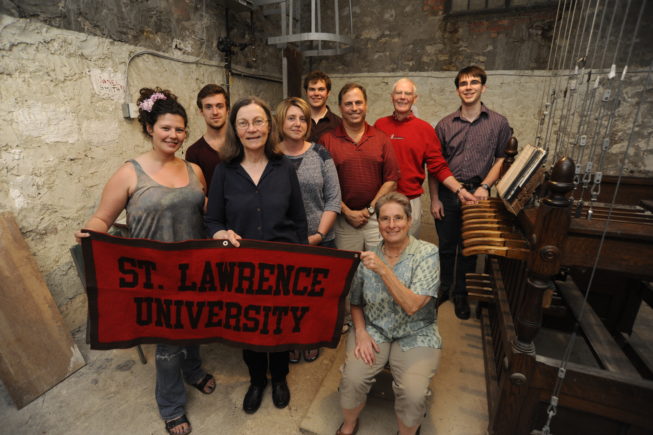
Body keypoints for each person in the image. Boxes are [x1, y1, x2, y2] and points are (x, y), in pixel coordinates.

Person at [75, 88, 215, 435]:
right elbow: (101, 219)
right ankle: (170, 406)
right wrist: (88, 233)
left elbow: (207, 214)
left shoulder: (195, 170)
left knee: (195, 325)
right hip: (155, 276)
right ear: (150, 127)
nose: (173, 135)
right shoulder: (129, 173)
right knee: (168, 344)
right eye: (166, 128)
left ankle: (194, 370)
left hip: (194, 269)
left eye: (180, 130)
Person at [204, 96, 308, 414]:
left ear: (269, 126)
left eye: (258, 121)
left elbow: (299, 218)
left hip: (282, 265)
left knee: (278, 325)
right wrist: (220, 233)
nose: (252, 129)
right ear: (235, 129)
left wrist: (303, 263)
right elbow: (212, 220)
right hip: (242, 268)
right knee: (248, 329)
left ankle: (278, 377)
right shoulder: (224, 171)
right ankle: (256, 380)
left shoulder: (285, 169)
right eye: (244, 123)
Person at [336, 192, 442, 435]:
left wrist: (384, 270)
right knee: (352, 380)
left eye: (398, 218)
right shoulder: (368, 257)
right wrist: (361, 332)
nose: (392, 225)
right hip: (375, 329)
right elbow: (355, 303)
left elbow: (413, 305)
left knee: (413, 393)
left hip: (417, 333)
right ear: (379, 223)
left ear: (409, 220)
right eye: (385, 219)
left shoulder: (427, 253)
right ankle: (349, 425)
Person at [429, 65, 511, 319]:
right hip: (448, 193)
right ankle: (443, 288)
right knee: (446, 246)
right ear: (457, 90)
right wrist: (434, 198)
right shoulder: (444, 125)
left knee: (469, 248)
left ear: (483, 87)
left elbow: (502, 158)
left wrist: (486, 187)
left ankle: (461, 294)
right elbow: (435, 165)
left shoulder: (498, 123)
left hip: (479, 194)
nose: (468, 87)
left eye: (474, 82)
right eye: (463, 84)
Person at [275, 97, 342, 364]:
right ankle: (292, 339)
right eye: (291, 118)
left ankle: (312, 338)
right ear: (281, 121)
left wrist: (317, 236)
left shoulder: (321, 154)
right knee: (287, 297)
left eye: (302, 118)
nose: (297, 123)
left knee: (317, 298)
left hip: (319, 239)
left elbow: (333, 199)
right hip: (282, 241)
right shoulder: (271, 155)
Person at [375, 78, 477, 235]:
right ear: (392, 96)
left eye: (408, 93)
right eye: (399, 93)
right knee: (380, 252)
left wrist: (460, 190)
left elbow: (438, 167)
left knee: (407, 253)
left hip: (410, 201)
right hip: (381, 199)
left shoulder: (425, 129)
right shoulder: (379, 125)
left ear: (415, 99)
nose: (402, 97)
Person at [320, 83, 400, 251]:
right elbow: (322, 185)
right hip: (342, 220)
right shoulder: (327, 141)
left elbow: (391, 180)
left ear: (366, 105)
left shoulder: (381, 139)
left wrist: (369, 209)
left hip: (375, 219)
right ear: (340, 108)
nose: (354, 108)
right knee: (348, 272)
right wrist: (347, 212)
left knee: (378, 269)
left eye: (358, 103)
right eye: (348, 104)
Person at [185, 84, 229, 191]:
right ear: (201, 111)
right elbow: (198, 194)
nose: (215, 112)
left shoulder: (242, 143)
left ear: (227, 109)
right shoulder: (193, 153)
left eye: (219, 106)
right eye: (208, 107)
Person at [304, 70, 342, 143]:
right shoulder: (298, 122)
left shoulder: (339, 124)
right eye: (312, 89)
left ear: (328, 93)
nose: (316, 93)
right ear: (306, 92)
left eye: (321, 89)